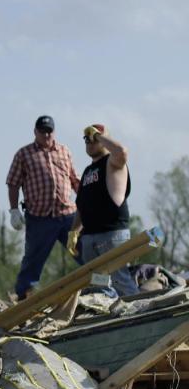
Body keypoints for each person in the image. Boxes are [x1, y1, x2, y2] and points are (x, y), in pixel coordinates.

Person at [7, 115, 81, 299]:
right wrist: (14, 209)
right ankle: (24, 297)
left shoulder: (64, 151)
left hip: (68, 216)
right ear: (35, 132)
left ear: (54, 131)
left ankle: (102, 285)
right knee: (33, 260)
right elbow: (13, 183)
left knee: (84, 250)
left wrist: (90, 202)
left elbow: (74, 180)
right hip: (40, 218)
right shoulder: (24, 154)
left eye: (49, 131)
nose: (46, 135)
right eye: (42, 131)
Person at [68, 124, 139, 296]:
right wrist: (73, 232)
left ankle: (139, 313)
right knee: (98, 285)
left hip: (112, 235)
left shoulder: (113, 163)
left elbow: (121, 151)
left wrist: (98, 135)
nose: (90, 142)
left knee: (120, 280)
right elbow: (81, 206)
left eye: (95, 139)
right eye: (87, 139)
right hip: (90, 238)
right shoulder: (87, 171)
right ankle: (112, 319)